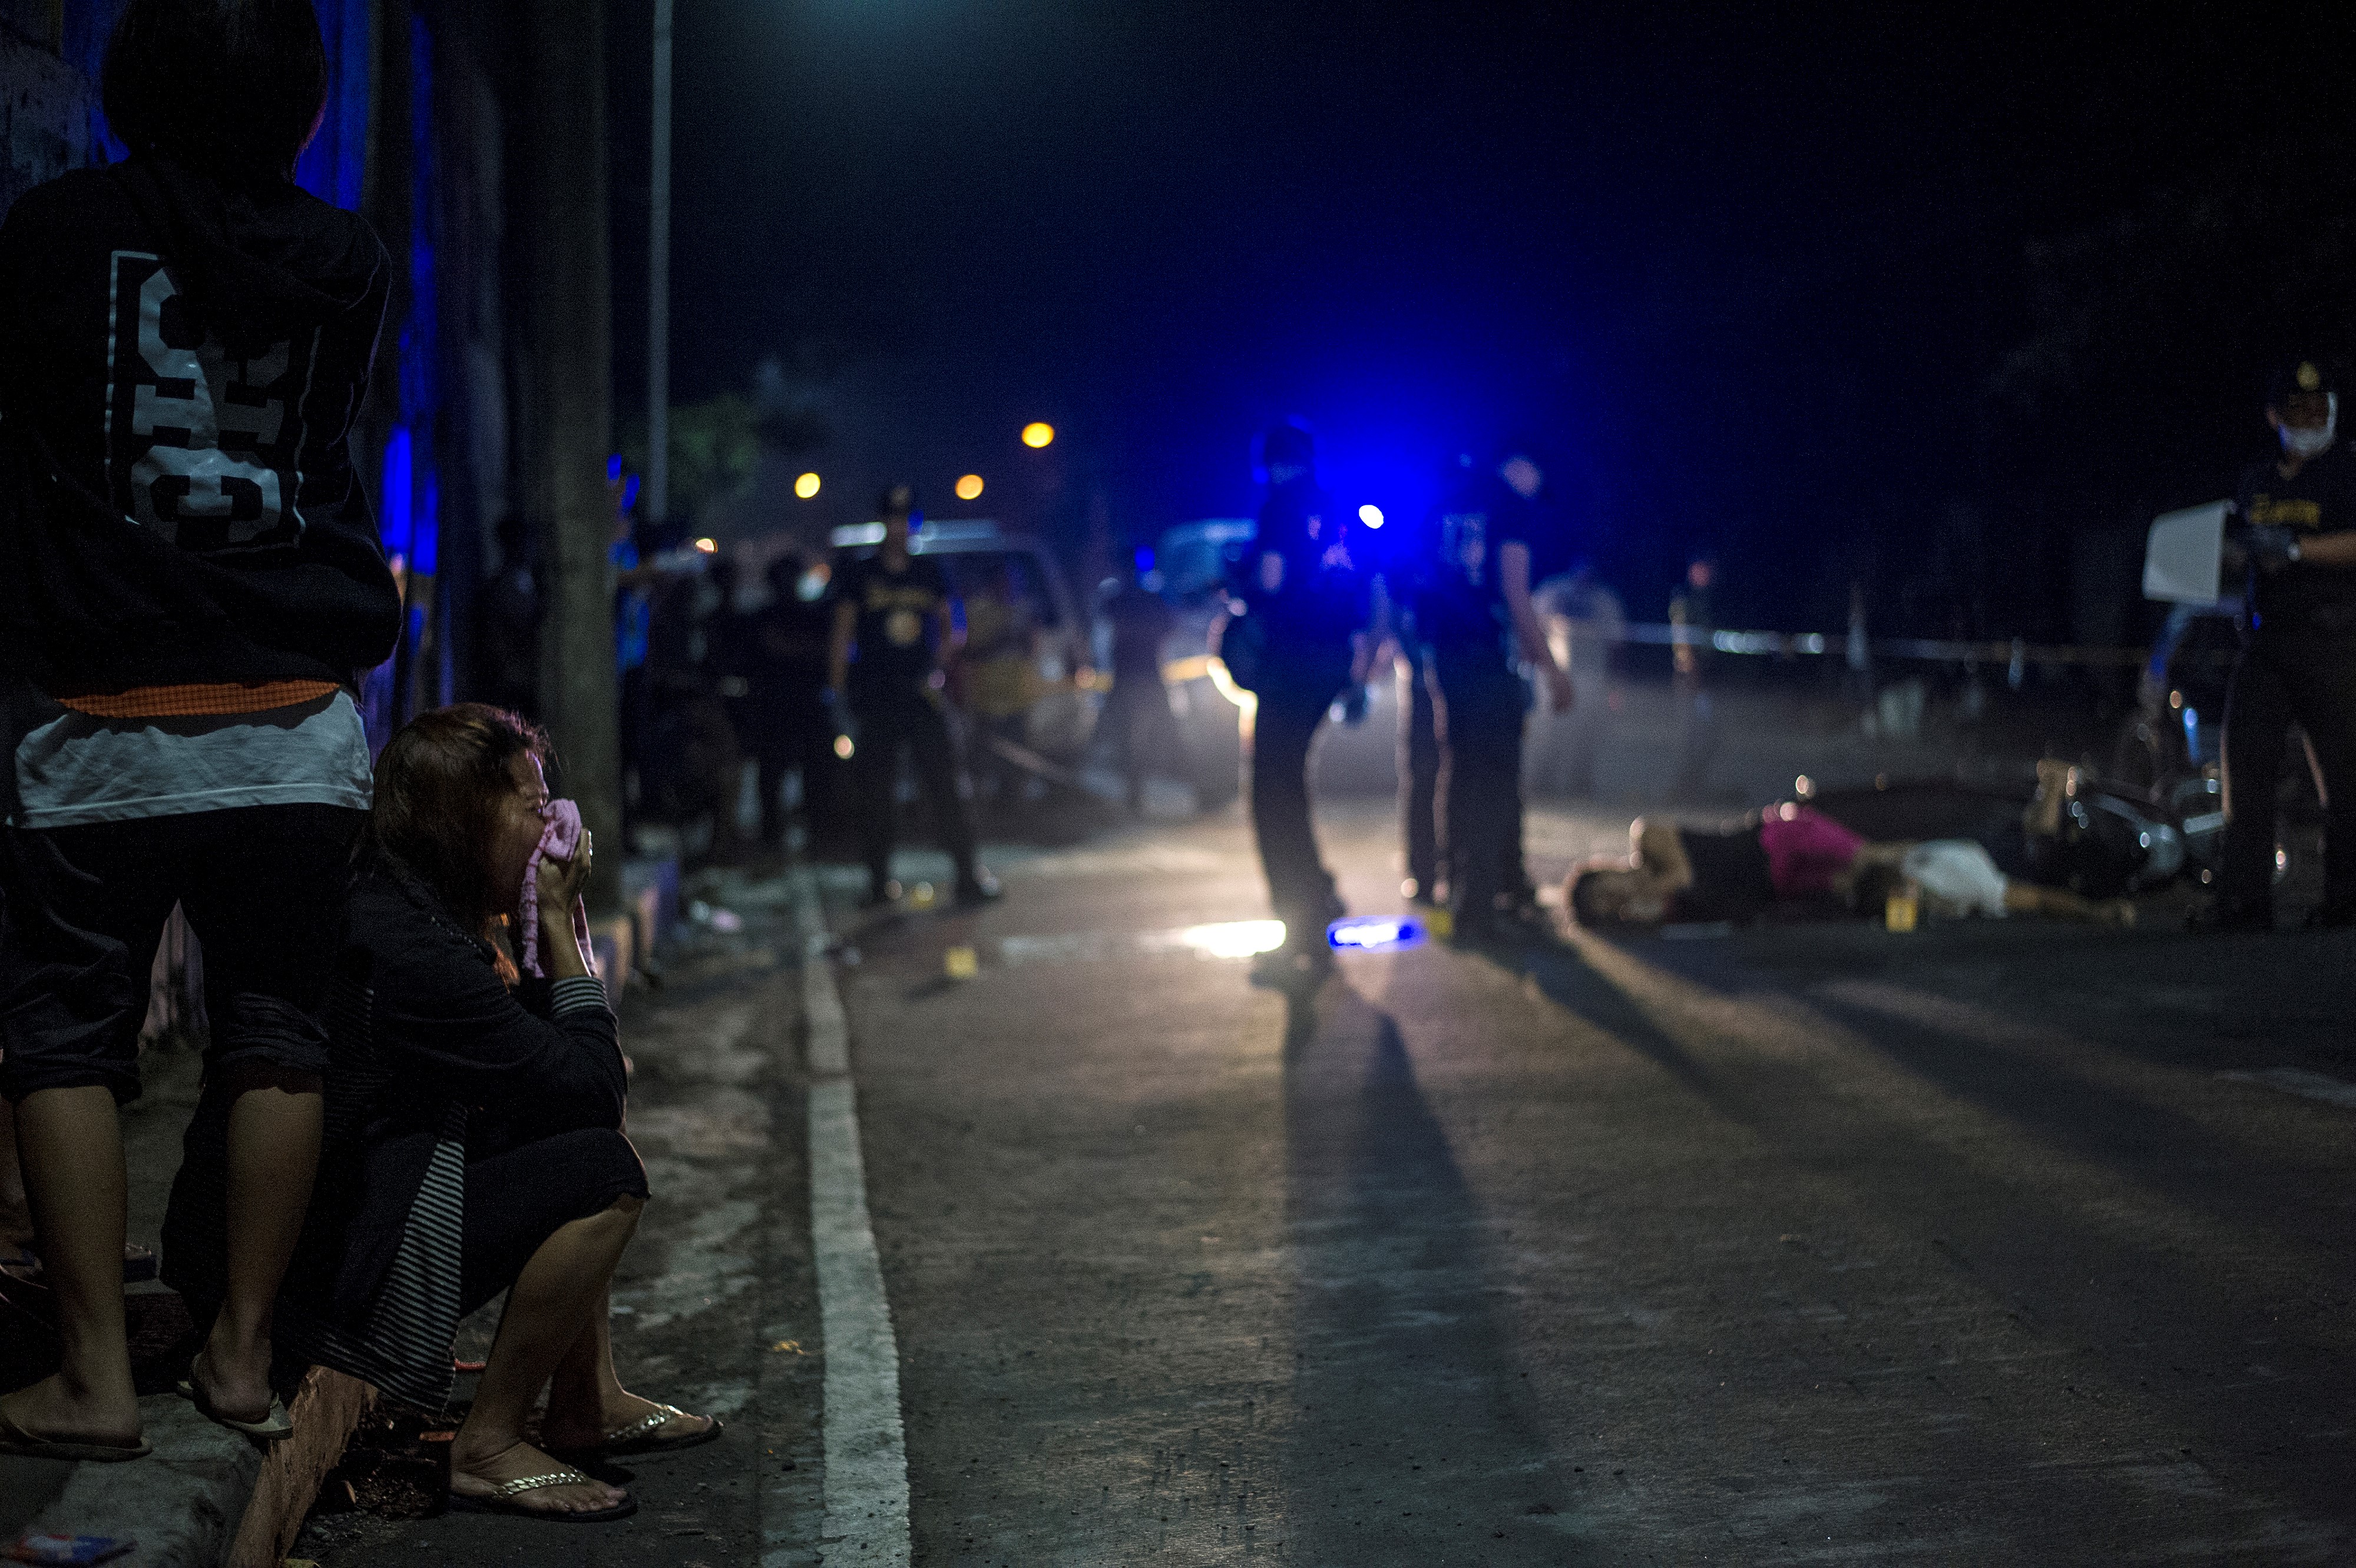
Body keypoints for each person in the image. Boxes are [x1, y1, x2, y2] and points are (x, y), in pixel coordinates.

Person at [0, 0, 402, 1461]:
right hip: (294, 718)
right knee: (278, 1034)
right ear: (302, 104)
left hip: (99, 707)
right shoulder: (351, 261)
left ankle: (96, 1376)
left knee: (64, 1040)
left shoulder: (52, 234)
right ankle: (243, 1358)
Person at [186, 706, 716, 1520]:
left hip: (350, 1213)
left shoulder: (413, 902)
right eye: (534, 806)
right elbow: (593, 1085)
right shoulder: (411, 947)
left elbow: (558, 1082)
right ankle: (490, 1441)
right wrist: (568, 939)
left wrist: (543, 930)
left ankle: (584, 1399)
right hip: (324, 1275)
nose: (556, 827)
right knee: (605, 1171)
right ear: (466, 816)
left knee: (568, 1134)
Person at [2196, 356, 2356, 931]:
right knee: (2246, 771)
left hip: (2333, 639)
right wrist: (2234, 553)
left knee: (2343, 776)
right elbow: (2242, 541)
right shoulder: (2257, 477)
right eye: (2300, 409)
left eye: (2323, 408)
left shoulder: (2346, 469)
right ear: (2274, 416)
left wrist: (2295, 550)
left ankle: (2345, 900)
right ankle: (2244, 900)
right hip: (2266, 642)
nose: (2314, 417)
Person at [1216, 421, 1374, 988]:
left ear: (1269, 463)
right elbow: (1364, 589)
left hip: (1288, 664)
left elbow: (1273, 580)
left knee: (1271, 795)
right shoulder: (1336, 508)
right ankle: (1320, 895)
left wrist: (1238, 580)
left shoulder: (1279, 507)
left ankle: (1299, 930)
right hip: (1332, 661)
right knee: (1291, 785)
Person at [1404, 444, 1574, 945]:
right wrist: (1552, 669)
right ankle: (1481, 908)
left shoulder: (1446, 502)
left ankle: (1461, 894)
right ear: (1522, 464)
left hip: (1446, 659)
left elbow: (1413, 577)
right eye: (1535, 479)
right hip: (1489, 661)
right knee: (1495, 782)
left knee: (1458, 776)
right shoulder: (1509, 506)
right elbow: (1516, 592)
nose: (1534, 492)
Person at [1567, 801, 2136, 928]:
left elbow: (1686, 875)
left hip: (1779, 840)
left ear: (1605, 869)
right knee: (1873, 884)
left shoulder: (1651, 839)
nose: (1616, 901)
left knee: (1876, 856)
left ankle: (2033, 828)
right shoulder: (1658, 900)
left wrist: (1646, 890)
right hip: (1782, 884)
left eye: (1606, 891)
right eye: (1607, 911)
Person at [828, 485, 998, 908]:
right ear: (882, 524)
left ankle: (967, 876)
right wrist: (838, 694)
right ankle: (879, 883)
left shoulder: (930, 571)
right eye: (892, 520)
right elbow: (842, 634)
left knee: (945, 785)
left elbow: (952, 626)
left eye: (906, 521)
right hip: (876, 696)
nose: (899, 528)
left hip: (921, 696)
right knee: (876, 792)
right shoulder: (861, 574)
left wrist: (937, 671)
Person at [742, 551, 839, 853]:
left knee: (816, 775)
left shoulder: (813, 615)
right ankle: (773, 837)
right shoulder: (764, 616)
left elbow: (825, 649)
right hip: (775, 709)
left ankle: (820, 836)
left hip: (809, 707)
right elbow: (766, 650)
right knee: (772, 777)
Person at [1096, 565, 1189, 814]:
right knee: (1129, 736)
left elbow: (1169, 628)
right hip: (1132, 678)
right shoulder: (1124, 600)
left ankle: (1138, 792)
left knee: (1146, 735)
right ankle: (1133, 793)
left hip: (1142, 677)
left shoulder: (1141, 600)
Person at [1669, 554, 1723, 800]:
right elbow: (1682, 638)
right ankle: (1683, 787)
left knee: (1708, 735)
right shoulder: (1684, 598)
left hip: (1709, 681)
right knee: (1687, 736)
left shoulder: (1713, 599)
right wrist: (1693, 672)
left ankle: (1697, 786)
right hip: (1689, 679)